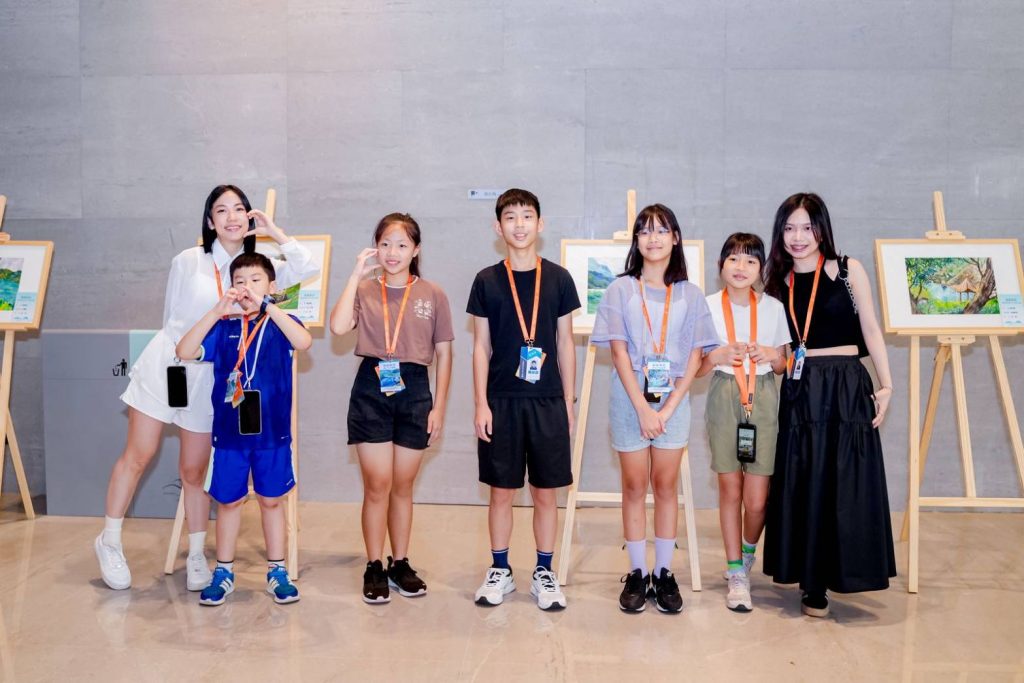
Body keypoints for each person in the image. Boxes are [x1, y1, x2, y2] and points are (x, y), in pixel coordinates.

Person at [94, 185, 318, 591]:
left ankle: (197, 552)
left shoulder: (261, 265)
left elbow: (307, 267)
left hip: (213, 378)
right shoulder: (188, 260)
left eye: (240, 209)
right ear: (210, 220)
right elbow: (171, 318)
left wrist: (274, 231)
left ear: (249, 217)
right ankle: (109, 541)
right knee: (139, 455)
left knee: (194, 470)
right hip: (170, 365)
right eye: (221, 210)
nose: (232, 217)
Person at [762, 192, 896, 618]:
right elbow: (780, 351)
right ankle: (812, 583)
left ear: (822, 229)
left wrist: (887, 384)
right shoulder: (776, 284)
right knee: (806, 481)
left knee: (846, 481)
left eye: (807, 227)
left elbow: (870, 328)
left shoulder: (848, 269)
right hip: (801, 388)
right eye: (789, 228)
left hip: (846, 384)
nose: (798, 237)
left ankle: (848, 572)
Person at [591, 203, 717, 613]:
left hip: (673, 403)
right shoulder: (620, 290)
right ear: (636, 240)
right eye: (645, 231)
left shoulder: (690, 294)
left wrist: (665, 410)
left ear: (675, 238)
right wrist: (644, 410)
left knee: (665, 487)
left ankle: (663, 572)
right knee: (633, 486)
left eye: (662, 230)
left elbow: (696, 357)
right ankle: (637, 572)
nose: (653, 238)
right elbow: (619, 352)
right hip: (630, 401)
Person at [330, 213, 454, 604]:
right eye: (385, 244)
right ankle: (374, 564)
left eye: (402, 245)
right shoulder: (366, 289)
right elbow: (337, 327)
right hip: (371, 388)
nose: (393, 252)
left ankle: (400, 562)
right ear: (375, 248)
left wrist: (439, 407)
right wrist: (355, 275)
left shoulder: (433, 293)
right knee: (377, 484)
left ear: (416, 250)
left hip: (415, 390)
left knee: (403, 485)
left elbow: (445, 353)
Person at [176, 252, 311, 605]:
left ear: (271, 286)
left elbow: (303, 341)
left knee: (271, 501)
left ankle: (277, 570)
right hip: (229, 436)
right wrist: (216, 311)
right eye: (240, 281)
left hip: (273, 435)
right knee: (229, 502)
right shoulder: (223, 329)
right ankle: (224, 572)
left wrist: (269, 306)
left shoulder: (281, 323)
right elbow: (185, 350)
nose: (247, 287)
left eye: (255, 280)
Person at [467, 188, 579, 610]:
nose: (519, 224)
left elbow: (565, 343)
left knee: (546, 492)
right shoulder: (486, 280)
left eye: (527, 216)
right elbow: (480, 347)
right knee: (501, 491)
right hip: (502, 401)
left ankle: (544, 572)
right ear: (498, 227)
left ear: (540, 224)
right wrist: (481, 403)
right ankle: (500, 569)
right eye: (510, 217)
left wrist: (568, 401)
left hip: (548, 400)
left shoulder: (559, 279)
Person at [697, 233, 789, 612]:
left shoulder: (773, 308)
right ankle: (735, 570)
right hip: (723, 394)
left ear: (761, 268)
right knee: (729, 490)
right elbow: (696, 369)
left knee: (757, 500)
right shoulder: (706, 307)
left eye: (750, 260)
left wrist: (772, 355)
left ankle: (748, 553)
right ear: (720, 265)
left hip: (762, 398)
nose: (741, 267)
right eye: (733, 259)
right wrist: (716, 356)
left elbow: (783, 365)